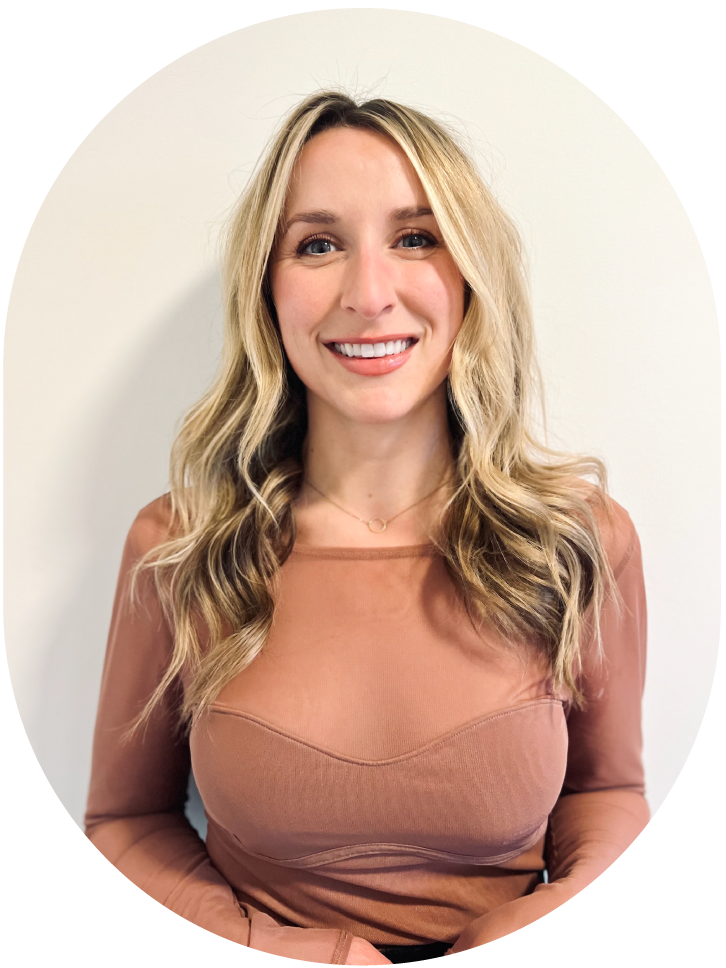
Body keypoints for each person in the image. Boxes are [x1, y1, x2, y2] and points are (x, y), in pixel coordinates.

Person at [84, 91, 652, 967]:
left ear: (469, 274)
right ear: (267, 290)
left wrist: (567, 917)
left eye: (415, 237)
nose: (370, 293)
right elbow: (121, 827)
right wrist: (283, 957)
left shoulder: (580, 537)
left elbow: (613, 791)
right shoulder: (181, 548)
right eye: (318, 245)